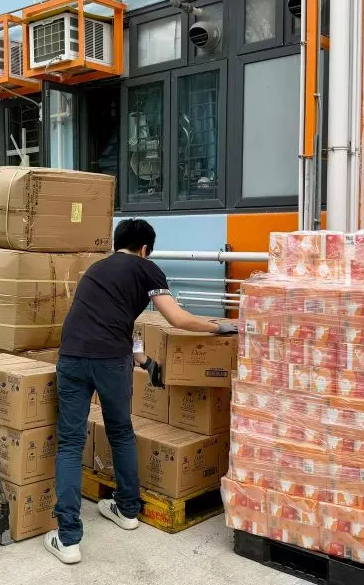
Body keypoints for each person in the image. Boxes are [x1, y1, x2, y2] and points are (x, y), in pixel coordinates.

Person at [44, 218, 237, 564]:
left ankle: (68, 539)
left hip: (72, 356)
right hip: (111, 362)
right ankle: (128, 510)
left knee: (71, 443)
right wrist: (219, 326)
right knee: (121, 433)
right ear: (145, 249)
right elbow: (177, 319)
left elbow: (109, 320)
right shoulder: (147, 269)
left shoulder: (95, 269)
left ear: (116, 243)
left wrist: (143, 359)